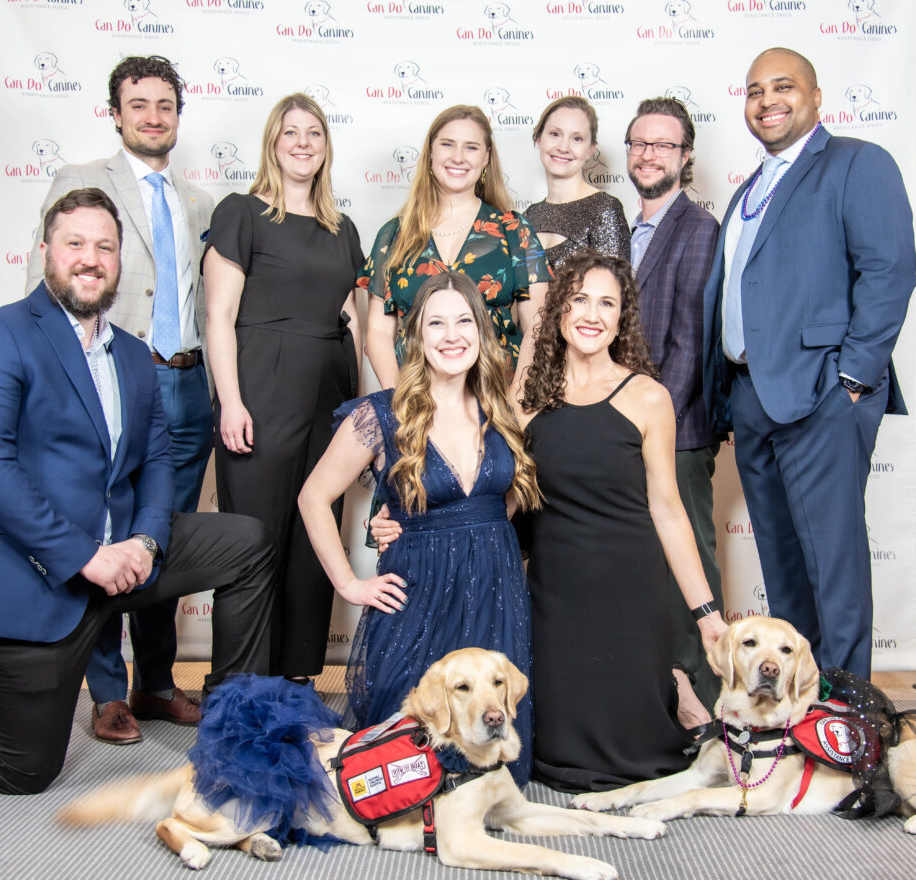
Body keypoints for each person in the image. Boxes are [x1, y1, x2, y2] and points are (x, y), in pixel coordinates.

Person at [0, 188, 275, 794]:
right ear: (46, 251)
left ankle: (233, 719)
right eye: (75, 244)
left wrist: (146, 541)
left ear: (120, 261)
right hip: (35, 573)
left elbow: (158, 461)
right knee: (22, 770)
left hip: (123, 558)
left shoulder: (133, 356)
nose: (90, 258)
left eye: (105, 246)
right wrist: (87, 555)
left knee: (246, 540)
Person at [702, 48, 916, 680]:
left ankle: (850, 709)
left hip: (823, 390)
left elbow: (889, 270)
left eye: (783, 86)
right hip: (751, 394)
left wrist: (853, 378)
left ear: (817, 97)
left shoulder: (856, 163)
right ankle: (800, 700)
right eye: (754, 90)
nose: (767, 100)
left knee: (834, 559)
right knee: (782, 563)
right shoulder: (751, 188)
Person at [25, 55, 215, 741]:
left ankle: (157, 682)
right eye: (139, 104)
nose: (153, 116)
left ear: (177, 115)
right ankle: (106, 689)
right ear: (117, 112)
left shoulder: (197, 203)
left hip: (189, 385)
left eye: (165, 104)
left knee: (162, 535)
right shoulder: (80, 182)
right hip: (111, 376)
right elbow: (43, 282)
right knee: (101, 529)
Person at [298, 272, 540, 785]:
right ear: (416, 337)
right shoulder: (382, 415)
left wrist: (476, 531)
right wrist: (350, 583)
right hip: (419, 603)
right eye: (436, 323)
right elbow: (313, 497)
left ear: (482, 331)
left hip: (495, 598)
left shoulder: (504, 410)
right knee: (403, 768)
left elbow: (508, 497)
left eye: (463, 321)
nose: (452, 335)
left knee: (493, 775)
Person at [518, 253, 725, 792]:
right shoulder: (527, 402)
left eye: (607, 303)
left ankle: (675, 691)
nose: (592, 314)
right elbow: (499, 500)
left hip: (632, 589)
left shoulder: (648, 397)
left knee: (639, 751)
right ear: (558, 310)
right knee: (556, 749)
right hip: (555, 592)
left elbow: (669, 510)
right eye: (580, 299)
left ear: (622, 317)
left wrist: (706, 615)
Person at [203, 93, 363, 681]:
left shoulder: (342, 229)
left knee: (313, 533)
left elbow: (357, 320)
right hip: (260, 389)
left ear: (326, 146)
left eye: (313, 133)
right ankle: (241, 682)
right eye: (290, 132)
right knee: (256, 539)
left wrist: (363, 413)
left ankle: (297, 676)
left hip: (328, 391)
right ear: (272, 141)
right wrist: (232, 400)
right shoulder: (241, 213)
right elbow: (219, 316)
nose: (302, 142)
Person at [625, 97, 722, 715]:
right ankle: (654, 690)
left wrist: (655, 427)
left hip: (676, 431)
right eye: (640, 143)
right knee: (643, 567)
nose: (649, 153)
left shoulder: (697, 228)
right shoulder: (630, 231)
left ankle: (704, 695)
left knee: (688, 563)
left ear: (685, 157)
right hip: (628, 426)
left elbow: (689, 343)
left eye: (663, 145)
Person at [361, 105, 549, 386]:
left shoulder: (514, 231)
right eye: (447, 144)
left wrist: (517, 400)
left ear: (486, 157)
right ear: (430, 153)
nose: (458, 157)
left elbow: (537, 325)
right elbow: (377, 330)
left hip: (497, 396)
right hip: (417, 398)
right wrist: (396, 403)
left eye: (471, 147)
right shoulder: (393, 236)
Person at [525, 96, 630, 271]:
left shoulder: (604, 209)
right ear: (539, 139)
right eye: (555, 134)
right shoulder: (529, 215)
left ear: (590, 149)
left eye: (577, 139)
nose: (563, 147)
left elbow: (615, 291)